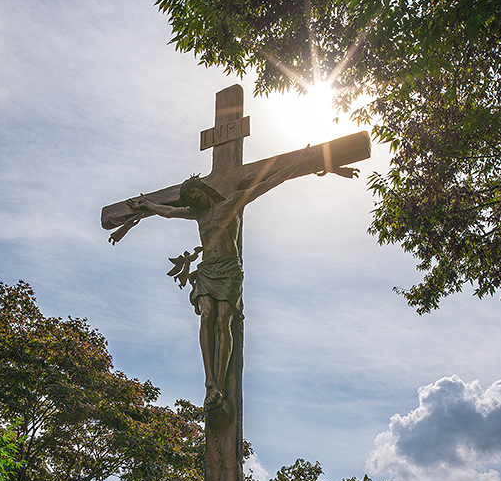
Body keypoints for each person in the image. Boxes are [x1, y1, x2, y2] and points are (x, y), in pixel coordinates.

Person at [127, 158, 357, 410]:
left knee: (223, 318)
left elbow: (268, 182)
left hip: (229, 268)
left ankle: (222, 385)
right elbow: (169, 211)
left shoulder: (233, 202)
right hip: (208, 269)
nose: (195, 197)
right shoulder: (197, 215)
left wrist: (301, 161)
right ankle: (210, 383)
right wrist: (146, 204)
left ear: (204, 190)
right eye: (190, 196)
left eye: (196, 191)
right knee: (206, 316)